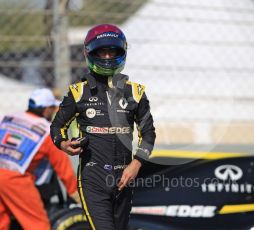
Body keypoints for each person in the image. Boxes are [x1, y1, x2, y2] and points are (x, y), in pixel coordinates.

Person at [50, 24, 156, 229]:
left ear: (122, 52)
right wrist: (63, 144)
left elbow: (148, 133)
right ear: (89, 53)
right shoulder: (78, 92)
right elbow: (57, 128)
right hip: (93, 181)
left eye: (112, 51)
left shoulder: (136, 93)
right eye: (102, 51)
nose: (107, 57)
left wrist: (136, 164)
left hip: (125, 180)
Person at [0, 88, 79, 230]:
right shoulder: (46, 131)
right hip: (15, 179)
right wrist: (77, 196)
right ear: (46, 109)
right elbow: (63, 169)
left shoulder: (8, 118)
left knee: (2, 221)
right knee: (38, 225)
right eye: (53, 108)